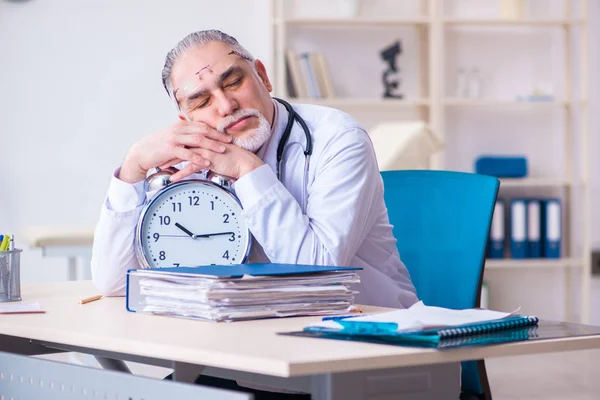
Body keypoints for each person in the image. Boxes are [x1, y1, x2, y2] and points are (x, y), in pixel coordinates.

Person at [90, 29, 418, 398]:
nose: (226, 105)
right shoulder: (195, 160)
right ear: (185, 117)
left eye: (233, 81)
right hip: (251, 357)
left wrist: (248, 171)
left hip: (361, 359)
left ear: (262, 75)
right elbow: (113, 284)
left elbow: (317, 270)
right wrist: (132, 168)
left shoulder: (338, 140)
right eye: (201, 101)